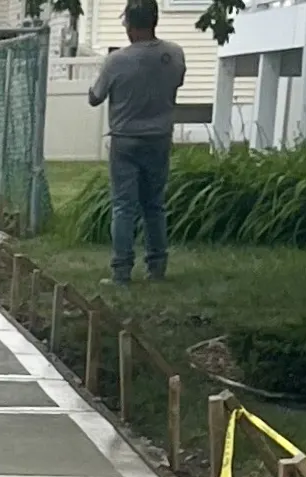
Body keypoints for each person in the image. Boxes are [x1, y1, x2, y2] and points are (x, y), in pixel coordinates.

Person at [87, 0, 187, 286]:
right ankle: (157, 266)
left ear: (130, 24)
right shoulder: (174, 54)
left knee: (124, 206)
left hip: (126, 140)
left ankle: (121, 271)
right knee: (154, 205)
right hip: (159, 138)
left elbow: (96, 97)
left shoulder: (117, 60)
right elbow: (177, 83)